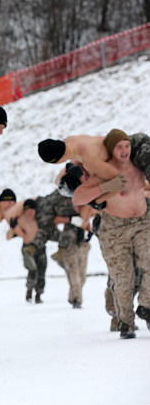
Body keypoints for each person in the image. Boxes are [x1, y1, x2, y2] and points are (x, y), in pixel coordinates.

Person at [72, 129, 150, 338]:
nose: (124, 151)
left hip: (143, 222)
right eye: (119, 147)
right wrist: (108, 186)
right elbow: (78, 198)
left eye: (127, 146)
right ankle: (125, 322)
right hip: (115, 229)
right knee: (123, 277)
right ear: (111, 150)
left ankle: (146, 305)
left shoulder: (138, 166)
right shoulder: (105, 171)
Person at [37, 131, 150, 183]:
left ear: (57, 162)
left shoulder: (89, 161)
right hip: (134, 140)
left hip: (138, 153)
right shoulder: (70, 140)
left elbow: (122, 179)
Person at [8, 199, 47, 303]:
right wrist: (13, 227)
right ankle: (29, 290)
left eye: (32, 210)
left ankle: (38, 294)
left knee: (41, 272)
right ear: (24, 211)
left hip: (40, 248)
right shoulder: (20, 220)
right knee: (32, 270)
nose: (30, 212)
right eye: (27, 210)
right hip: (28, 248)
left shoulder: (40, 220)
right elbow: (10, 236)